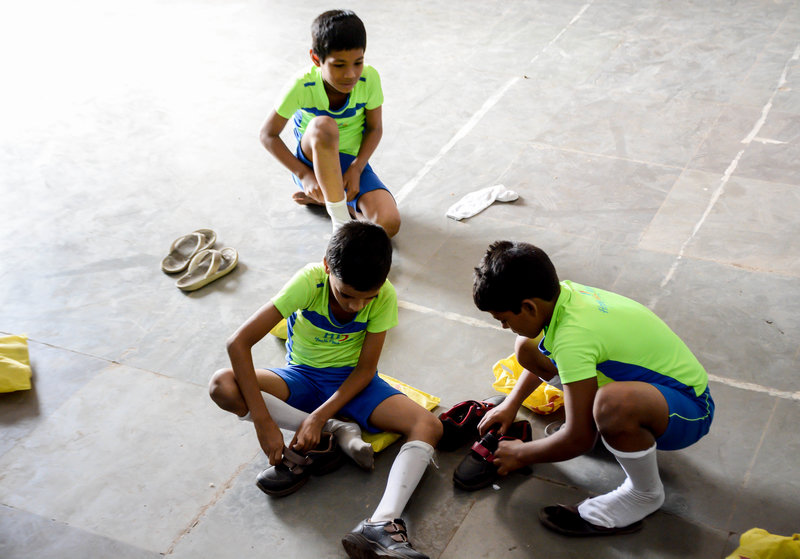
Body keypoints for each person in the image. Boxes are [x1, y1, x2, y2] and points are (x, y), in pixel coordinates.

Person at [209, 221, 440, 558]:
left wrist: (317, 416)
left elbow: (365, 370)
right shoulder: (309, 281)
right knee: (222, 384)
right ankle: (335, 430)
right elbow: (238, 343)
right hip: (300, 376)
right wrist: (263, 422)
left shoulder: (385, 295)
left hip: (351, 382)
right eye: (347, 295)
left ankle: (382, 523)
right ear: (327, 266)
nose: (356, 306)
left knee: (428, 425)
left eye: (368, 297)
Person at [472, 241, 714, 536]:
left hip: (691, 409)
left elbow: (578, 440)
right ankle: (604, 424)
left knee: (612, 406)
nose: (503, 327)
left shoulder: (573, 337)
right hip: (655, 390)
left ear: (528, 307)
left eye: (504, 320)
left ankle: (644, 493)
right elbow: (552, 352)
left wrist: (521, 454)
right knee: (527, 347)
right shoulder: (564, 295)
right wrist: (510, 403)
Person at [259, 10, 400, 237]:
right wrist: (303, 175)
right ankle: (340, 220)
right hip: (313, 162)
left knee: (388, 225)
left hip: (351, 164)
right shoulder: (302, 86)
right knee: (324, 126)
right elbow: (267, 135)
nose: (350, 74)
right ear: (316, 59)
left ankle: (333, 202)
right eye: (339, 65)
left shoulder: (369, 78)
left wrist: (357, 167)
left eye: (358, 62)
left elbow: (375, 128)